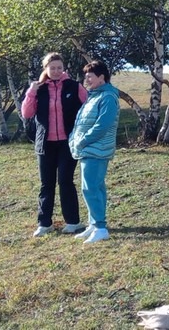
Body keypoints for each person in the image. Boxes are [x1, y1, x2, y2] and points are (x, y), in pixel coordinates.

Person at [21, 52, 89, 237]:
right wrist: (31, 92)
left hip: (68, 143)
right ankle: (44, 224)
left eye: (59, 67)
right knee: (46, 184)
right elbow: (27, 113)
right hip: (45, 144)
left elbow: (89, 108)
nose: (56, 71)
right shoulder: (39, 89)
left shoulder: (74, 87)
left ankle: (73, 222)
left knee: (66, 181)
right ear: (46, 69)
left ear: (63, 68)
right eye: (53, 68)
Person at [69, 60, 120, 244]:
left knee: (91, 187)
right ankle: (94, 224)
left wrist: (82, 140)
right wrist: (74, 139)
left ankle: (100, 227)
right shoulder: (95, 96)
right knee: (92, 187)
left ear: (101, 77)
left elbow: (102, 125)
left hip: (97, 150)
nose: (87, 80)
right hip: (88, 150)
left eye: (90, 76)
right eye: (86, 76)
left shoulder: (107, 98)